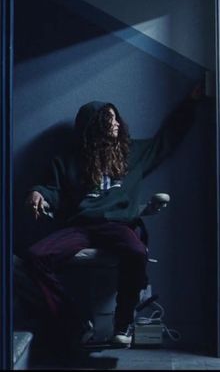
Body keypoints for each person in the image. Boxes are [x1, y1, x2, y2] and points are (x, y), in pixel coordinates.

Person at [25, 83, 204, 348]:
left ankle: (122, 326)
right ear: (93, 126)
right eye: (109, 120)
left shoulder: (132, 153)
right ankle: (75, 324)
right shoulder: (67, 160)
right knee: (34, 257)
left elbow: (166, 140)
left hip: (117, 225)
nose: (117, 123)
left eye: (116, 117)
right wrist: (37, 193)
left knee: (137, 251)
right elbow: (52, 190)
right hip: (80, 227)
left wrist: (190, 103)